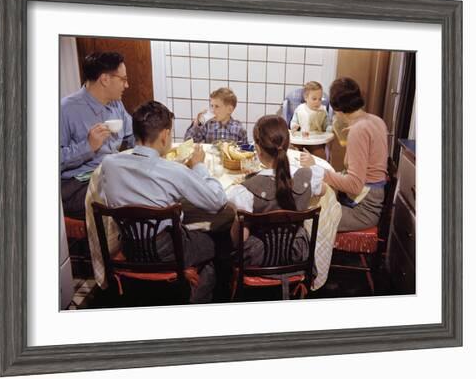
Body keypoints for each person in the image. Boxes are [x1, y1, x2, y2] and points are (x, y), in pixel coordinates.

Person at [98, 100, 228, 303]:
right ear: (165, 134)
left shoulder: (108, 164)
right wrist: (199, 167)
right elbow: (217, 201)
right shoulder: (173, 171)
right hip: (166, 250)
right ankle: (199, 298)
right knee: (217, 240)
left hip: (130, 246)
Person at [227, 115, 326, 268]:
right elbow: (323, 190)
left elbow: (240, 239)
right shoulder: (308, 177)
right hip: (297, 253)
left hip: (259, 257)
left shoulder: (245, 191)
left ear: (258, 149)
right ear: (288, 145)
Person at [300, 77, 388, 232]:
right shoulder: (376, 120)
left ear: (337, 109)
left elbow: (354, 185)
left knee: (305, 217)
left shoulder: (358, 131)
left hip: (362, 209)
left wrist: (319, 170)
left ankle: (306, 255)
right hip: (374, 198)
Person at [60, 52, 134, 219]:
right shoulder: (66, 109)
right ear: (105, 79)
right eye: (123, 79)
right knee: (130, 196)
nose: (127, 85)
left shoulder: (116, 103)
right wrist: (88, 146)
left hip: (109, 175)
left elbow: (132, 137)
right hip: (77, 185)